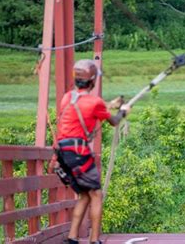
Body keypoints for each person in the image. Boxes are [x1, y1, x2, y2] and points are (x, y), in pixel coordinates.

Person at [54, 59, 130, 244]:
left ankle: (72, 237)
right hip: (78, 152)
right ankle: (94, 240)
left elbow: (87, 108)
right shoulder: (95, 102)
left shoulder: (67, 97)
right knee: (96, 194)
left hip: (63, 152)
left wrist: (110, 105)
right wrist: (124, 111)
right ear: (93, 80)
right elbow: (113, 121)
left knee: (85, 194)